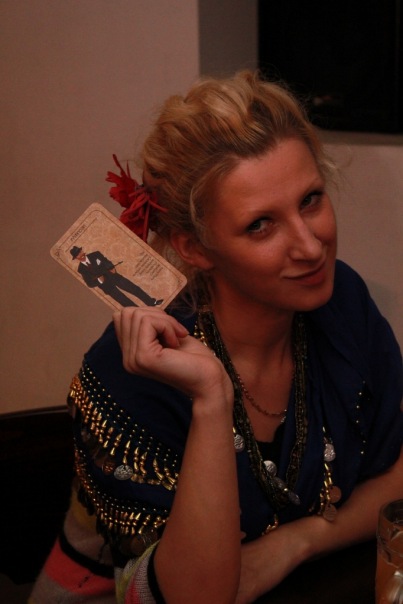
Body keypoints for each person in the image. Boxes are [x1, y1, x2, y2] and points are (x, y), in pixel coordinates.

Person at [30, 71, 403, 604]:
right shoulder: (129, 371)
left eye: (311, 200)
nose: (310, 245)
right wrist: (210, 398)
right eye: (260, 225)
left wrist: (293, 544)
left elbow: (397, 476)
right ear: (195, 248)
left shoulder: (339, 303)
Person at [70, 245, 163, 308]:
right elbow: (89, 283)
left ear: (82, 250)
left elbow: (107, 261)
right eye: (78, 255)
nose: (80, 254)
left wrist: (112, 267)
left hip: (115, 277)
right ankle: (142, 315)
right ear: (76, 258)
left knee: (135, 289)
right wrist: (99, 281)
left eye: (80, 252)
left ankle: (152, 302)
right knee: (125, 302)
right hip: (107, 287)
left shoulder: (95, 254)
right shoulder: (81, 269)